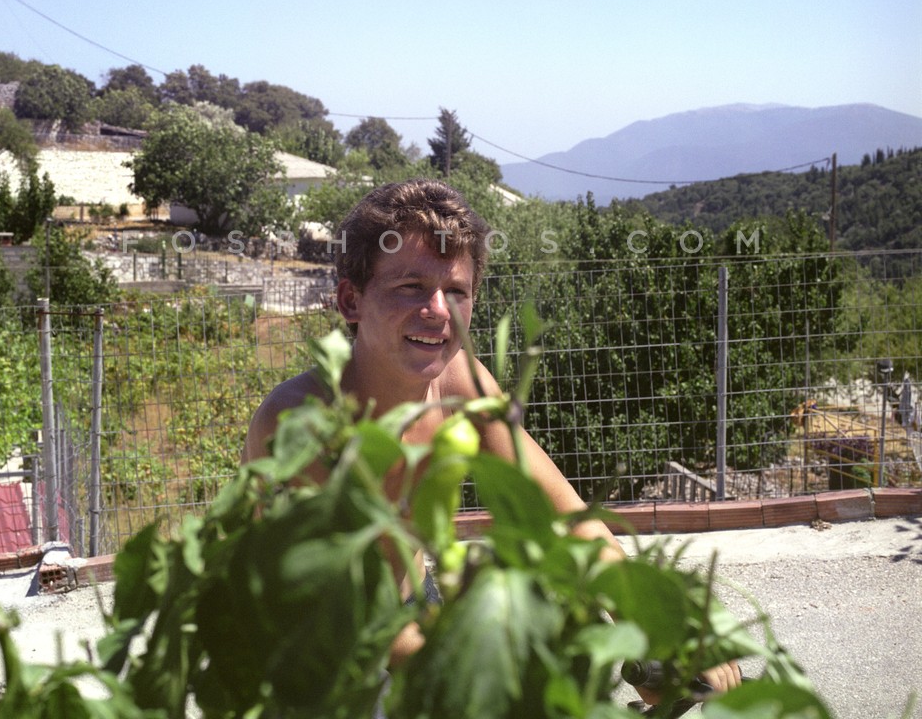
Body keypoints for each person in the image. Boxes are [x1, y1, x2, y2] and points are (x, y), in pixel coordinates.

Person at [242, 178, 741, 698]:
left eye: (457, 292)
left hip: (413, 611)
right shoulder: (301, 424)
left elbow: (561, 516)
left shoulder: (460, 383)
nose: (439, 310)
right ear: (351, 300)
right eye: (410, 286)